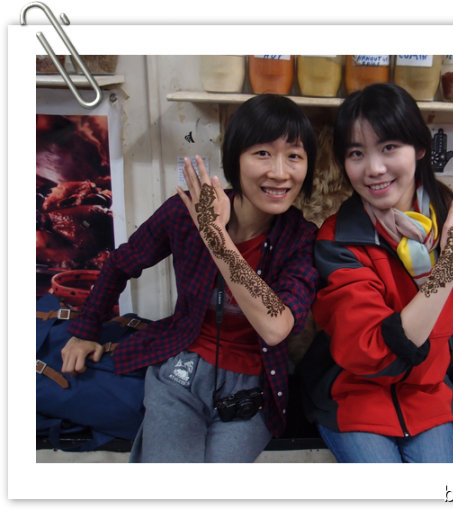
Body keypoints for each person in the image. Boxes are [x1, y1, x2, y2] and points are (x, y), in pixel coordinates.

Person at [61, 94, 319, 462]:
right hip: (181, 368)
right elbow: (121, 262)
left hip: (253, 385)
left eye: (294, 156)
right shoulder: (186, 213)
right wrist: (86, 329)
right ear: (235, 159)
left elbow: (277, 327)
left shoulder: (301, 237)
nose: (280, 172)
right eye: (262, 153)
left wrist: (216, 236)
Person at [301, 83, 453, 463]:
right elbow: (371, 352)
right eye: (356, 153)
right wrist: (447, 269)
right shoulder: (338, 240)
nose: (374, 169)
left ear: (419, 147)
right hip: (354, 395)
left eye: (389, 147)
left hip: (427, 396)